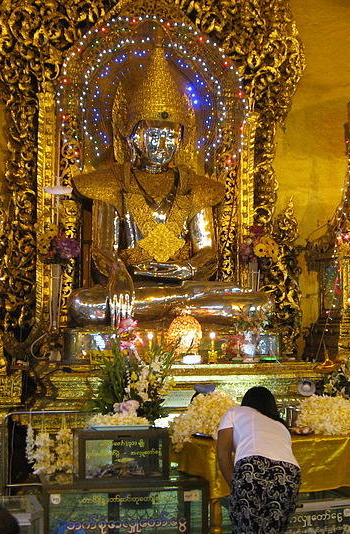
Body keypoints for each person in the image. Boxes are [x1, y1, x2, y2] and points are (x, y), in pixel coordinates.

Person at [69, 41, 272, 328]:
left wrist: (185, 268)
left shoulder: (195, 186)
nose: (162, 145)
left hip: (184, 287)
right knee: (82, 304)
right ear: (134, 137)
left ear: (181, 138)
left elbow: (208, 252)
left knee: (257, 304)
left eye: (170, 136)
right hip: (134, 289)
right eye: (153, 135)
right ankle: (170, 310)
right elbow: (103, 251)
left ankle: (171, 309)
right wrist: (120, 275)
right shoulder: (111, 183)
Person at [217, 386, 301, 533]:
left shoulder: (234, 412)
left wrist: (235, 487)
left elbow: (223, 456)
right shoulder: (281, 425)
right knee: (275, 529)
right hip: (289, 473)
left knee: (247, 528)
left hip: (253, 466)